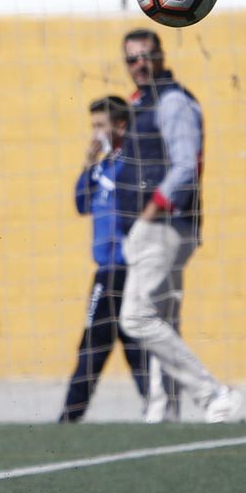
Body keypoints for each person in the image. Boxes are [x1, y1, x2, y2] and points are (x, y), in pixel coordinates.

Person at [114, 29, 243, 423]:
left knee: (136, 317)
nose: (140, 65)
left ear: (161, 56)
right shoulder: (144, 102)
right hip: (154, 225)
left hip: (165, 224)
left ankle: (213, 394)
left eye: (146, 56)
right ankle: (163, 411)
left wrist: (152, 209)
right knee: (161, 317)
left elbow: (187, 165)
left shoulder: (172, 102)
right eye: (132, 59)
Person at [57, 95, 161, 423]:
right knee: (126, 342)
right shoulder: (102, 166)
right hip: (105, 267)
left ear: (119, 125)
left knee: (99, 342)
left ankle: (70, 417)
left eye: (100, 125)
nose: (95, 132)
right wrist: (88, 163)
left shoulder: (132, 165)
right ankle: (153, 407)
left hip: (124, 267)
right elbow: (81, 204)